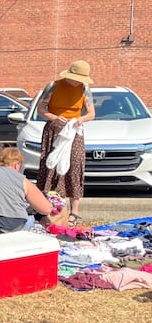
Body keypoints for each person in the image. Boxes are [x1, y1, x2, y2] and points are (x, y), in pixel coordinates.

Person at [35, 59, 95, 225]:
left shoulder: (85, 89)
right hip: (54, 130)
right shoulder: (53, 86)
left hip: (74, 130)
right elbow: (41, 109)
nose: (78, 82)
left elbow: (91, 113)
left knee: (74, 166)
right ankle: (45, 207)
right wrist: (55, 118)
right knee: (50, 165)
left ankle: (74, 211)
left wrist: (80, 119)